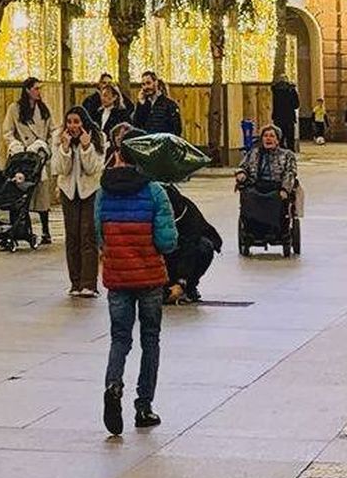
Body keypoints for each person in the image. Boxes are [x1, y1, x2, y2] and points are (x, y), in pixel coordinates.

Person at [94, 135, 177, 436]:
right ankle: (144, 406)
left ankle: (113, 385)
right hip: (149, 278)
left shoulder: (103, 192)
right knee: (150, 339)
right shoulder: (155, 191)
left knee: (120, 339)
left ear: (117, 157)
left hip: (117, 277)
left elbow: (99, 236)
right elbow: (167, 242)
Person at [50, 107, 105, 297]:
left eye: (77, 122)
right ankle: (75, 282)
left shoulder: (98, 137)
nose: (73, 126)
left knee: (88, 236)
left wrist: (85, 147)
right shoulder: (58, 138)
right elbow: (59, 169)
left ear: (84, 122)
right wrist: (65, 149)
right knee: (72, 236)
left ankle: (89, 283)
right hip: (68, 192)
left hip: (90, 191)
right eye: (70, 122)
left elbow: (93, 168)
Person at [3, 77, 57, 246]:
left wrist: (45, 148)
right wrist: (15, 145)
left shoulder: (44, 110)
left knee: (41, 195)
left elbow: (53, 131)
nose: (39, 92)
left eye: (40, 89)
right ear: (27, 90)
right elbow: (7, 131)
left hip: (38, 157)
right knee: (19, 193)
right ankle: (19, 229)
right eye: (36, 88)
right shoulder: (15, 109)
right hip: (21, 157)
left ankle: (46, 231)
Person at [162, 184, 222, 304]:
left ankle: (189, 286)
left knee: (203, 247)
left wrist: (181, 282)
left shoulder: (187, 212)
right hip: (162, 255)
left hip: (187, 250)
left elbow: (190, 245)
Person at [237, 121, 298, 199]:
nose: (268, 138)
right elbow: (243, 166)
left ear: (277, 141)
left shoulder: (287, 155)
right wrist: (241, 173)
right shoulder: (254, 153)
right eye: (265, 136)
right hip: (256, 187)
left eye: (272, 136)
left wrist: (285, 189)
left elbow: (290, 173)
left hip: (277, 188)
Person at [133, 71, 182, 136]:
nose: (146, 87)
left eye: (148, 83)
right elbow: (136, 126)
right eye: (143, 84)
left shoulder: (169, 104)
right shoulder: (143, 104)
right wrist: (141, 105)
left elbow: (177, 130)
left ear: (156, 83)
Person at [87, 77, 134, 141]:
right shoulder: (98, 113)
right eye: (102, 95)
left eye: (106, 95)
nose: (103, 98)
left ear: (114, 97)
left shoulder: (121, 114)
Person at [271, 76, 300, 153]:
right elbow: (296, 105)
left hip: (278, 117)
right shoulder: (291, 90)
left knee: (279, 136)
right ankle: (290, 152)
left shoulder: (274, 90)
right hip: (289, 117)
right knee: (290, 137)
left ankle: (278, 150)